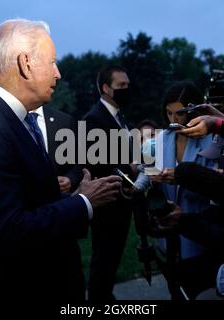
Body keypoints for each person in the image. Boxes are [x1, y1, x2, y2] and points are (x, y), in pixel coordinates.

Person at [0, 19, 122, 300]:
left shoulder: (12, 121)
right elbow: (8, 230)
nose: (58, 73)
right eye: (52, 62)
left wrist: (73, 194)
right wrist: (83, 202)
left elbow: (30, 203)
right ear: (25, 64)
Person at [149, 80, 220, 299]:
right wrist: (151, 179)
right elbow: (146, 168)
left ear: (194, 109)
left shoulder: (213, 139)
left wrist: (185, 178)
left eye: (179, 113)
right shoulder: (162, 138)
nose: (173, 120)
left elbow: (218, 183)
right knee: (175, 286)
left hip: (201, 226)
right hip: (169, 230)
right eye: (169, 113)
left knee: (199, 288)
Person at [83, 65, 135, 302]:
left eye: (128, 85)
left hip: (122, 200)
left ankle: (105, 296)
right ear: (106, 88)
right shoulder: (94, 119)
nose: (127, 89)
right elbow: (97, 163)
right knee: (103, 260)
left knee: (111, 260)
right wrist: (131, 168)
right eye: (121, 86)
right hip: (106, 203)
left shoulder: (119, 117)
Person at [32, 104, 82, 192]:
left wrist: (70, 179)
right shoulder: (7, 119)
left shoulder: (64, 120)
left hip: (58, 198)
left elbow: (79, 161)